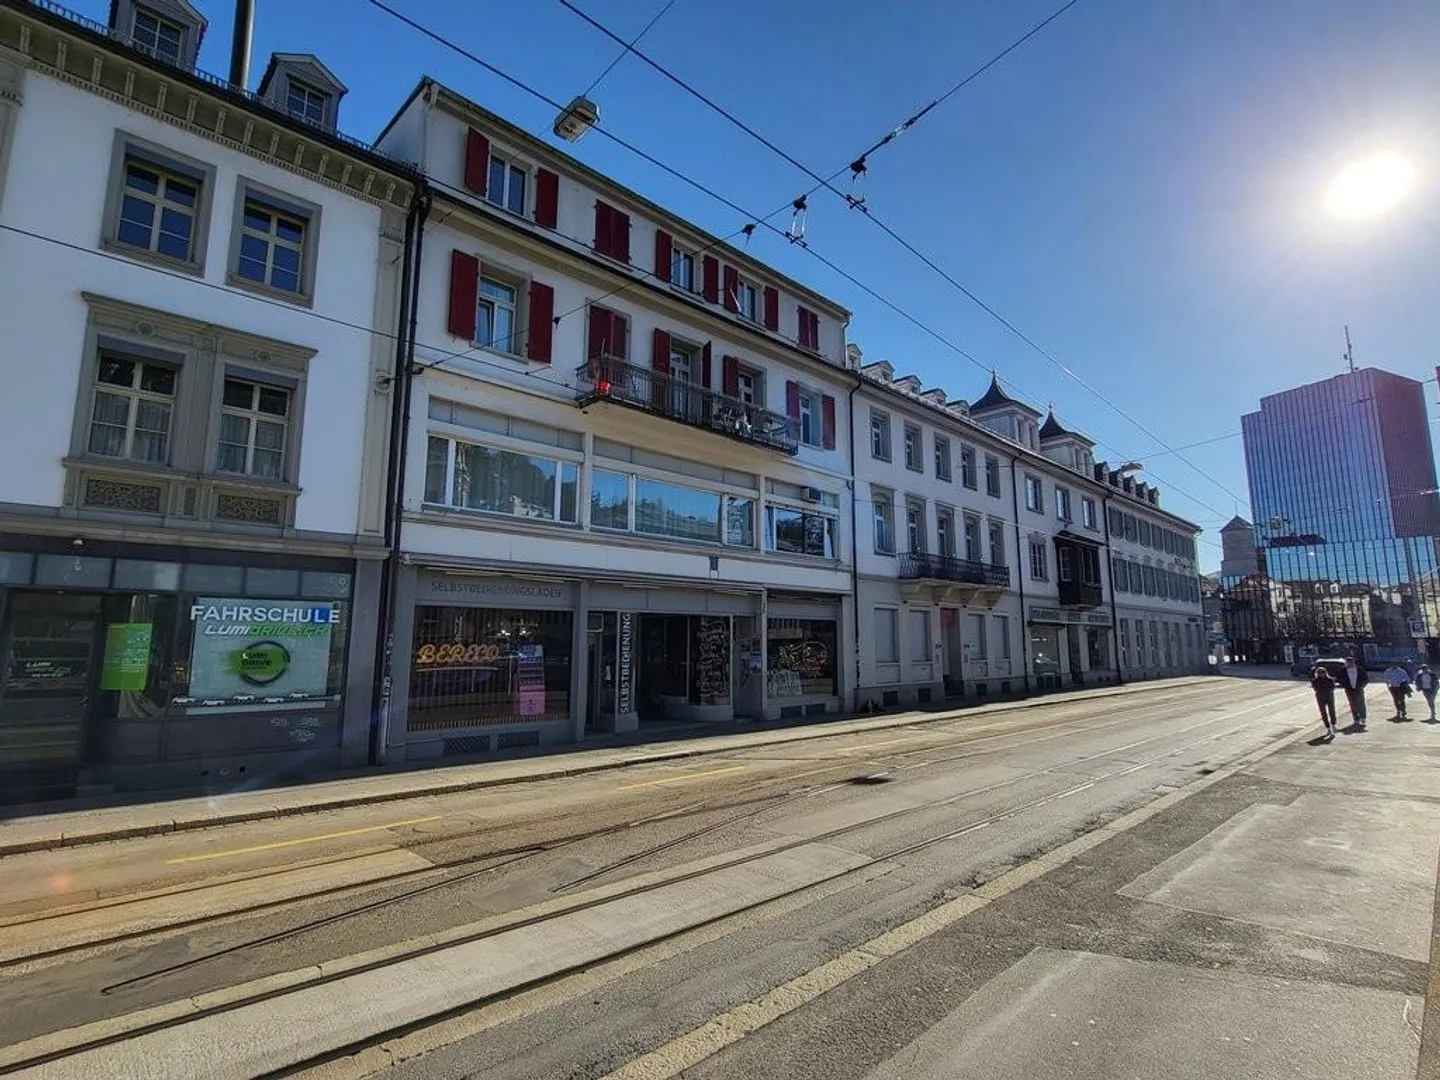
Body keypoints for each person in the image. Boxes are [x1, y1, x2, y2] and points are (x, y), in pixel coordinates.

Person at [1339, 656, 1369, 730]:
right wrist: (1343, 685)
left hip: (1359, 688)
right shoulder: (1343, 671)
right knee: (1353, 704)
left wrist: (1362, 686)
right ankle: (1356, 719)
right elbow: (1338, 678)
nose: (1348, 664)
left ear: (1353, 662)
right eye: (1347, 663)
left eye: (1350, 662)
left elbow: (1366, 679)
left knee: (1361, 704)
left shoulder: (1359, 669)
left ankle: (1363, 717)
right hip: (1349, 690)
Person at [1310, 665, 1338, 737]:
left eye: (1323, 672)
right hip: (1320, 697)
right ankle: (1328, 727)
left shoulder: (1330, 679)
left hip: (1329, 696)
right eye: (1319, 673)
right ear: (1317, 673)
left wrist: (1328, 690)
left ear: (1326, 672)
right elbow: (1315, 688)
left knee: (1332, 711)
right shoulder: (1315, 681)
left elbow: (1333, 687)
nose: (1321, 674)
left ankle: (1333, 724)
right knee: (1323, 712)